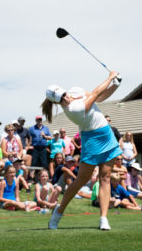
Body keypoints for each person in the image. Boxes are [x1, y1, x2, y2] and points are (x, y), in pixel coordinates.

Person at [42, 70, 122, 230]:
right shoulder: (73, 111)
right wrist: (110, 77)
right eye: (61, 99)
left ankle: (103, 219)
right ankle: (58, 211)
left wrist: (115, 85)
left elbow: (100, 97)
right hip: (91, 139)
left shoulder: (75, 90)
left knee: (105, 177)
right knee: (81, 180)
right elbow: (94, 93)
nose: (65, 98)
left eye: (64, 94)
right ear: (56, 103)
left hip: (106, 135)